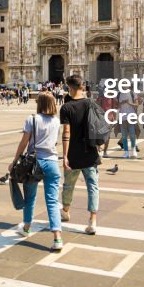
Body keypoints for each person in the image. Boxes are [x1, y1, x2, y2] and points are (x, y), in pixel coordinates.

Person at [10, 91, 63, 251]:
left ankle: (26, 228)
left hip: (34, 163)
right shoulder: (56, 121)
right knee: (52, 201)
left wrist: (14, 161)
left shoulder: (32, 119)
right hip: (52, 162)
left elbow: (24, 143)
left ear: (39, 103)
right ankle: (57, 238)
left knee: (30, 197)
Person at [58, 75, 100, 234]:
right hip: (90, 152)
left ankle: (66, 211)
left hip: (74, 154)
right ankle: (93, 221)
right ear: (82, 87)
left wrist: (65, 155)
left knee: (68, 185)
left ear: (69, 87)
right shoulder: (91, 103)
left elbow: (66, 132)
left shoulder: (66, 107)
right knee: (93, 186)